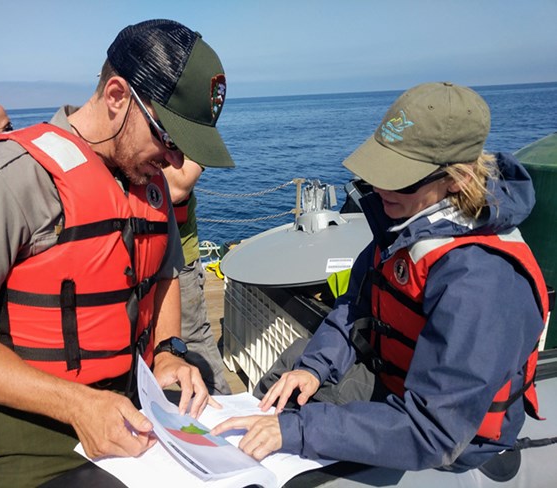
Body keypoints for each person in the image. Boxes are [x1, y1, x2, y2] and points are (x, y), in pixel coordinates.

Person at [0, 19, 234, 487]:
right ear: (117, 96)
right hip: (36, 448)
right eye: (170, 138)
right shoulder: (0, 181)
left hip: (138, 423)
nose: (176, 161)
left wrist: (166, 353)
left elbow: (163, 277)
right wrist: (78, 404)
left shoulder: (152, 185)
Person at [212, 82, 549, 477]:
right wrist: (314, 367)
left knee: (295, 421)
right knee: (291, 369)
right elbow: (355, 308)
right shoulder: (405, 226)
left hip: (450, 433)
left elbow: (435, 431)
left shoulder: (482, 281)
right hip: (395, 383)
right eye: (380, 170)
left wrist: (296, 430)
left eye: (402, 178)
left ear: (455, 179)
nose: (381, 188)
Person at [164, 159, 232, 395]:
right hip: (130, 256)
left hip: (179, 256)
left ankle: (222, 407)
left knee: (192, 339)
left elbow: (176, 188)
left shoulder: (190, 132)